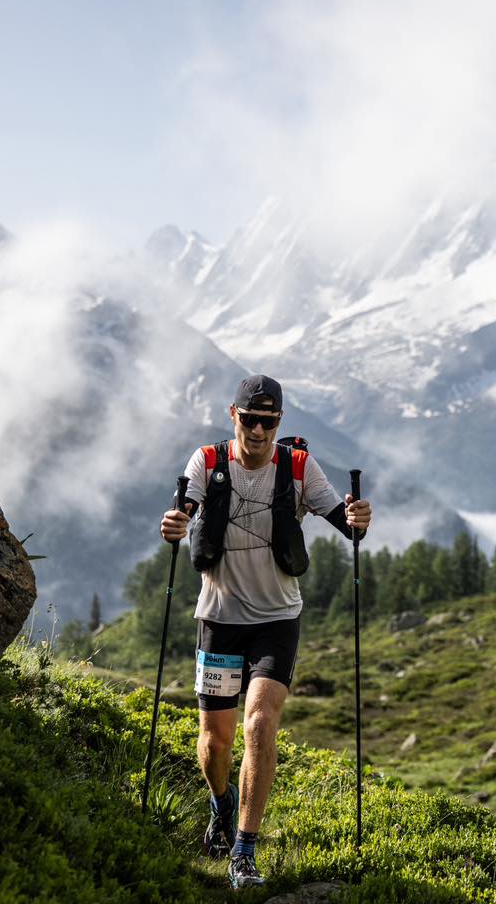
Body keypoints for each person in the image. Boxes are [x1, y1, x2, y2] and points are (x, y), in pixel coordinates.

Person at [159, 374, 371, 890]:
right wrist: (174, 523)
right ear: (233, 414)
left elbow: (344, 523)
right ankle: (221, 803)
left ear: (279, 422)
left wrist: (359, 518)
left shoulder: (296, 466)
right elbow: (182, 511)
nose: (257, 430)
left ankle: (244, 850)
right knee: (214, 743)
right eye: (249, 419)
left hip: (277, 620)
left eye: (268, 421)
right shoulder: (207, 463)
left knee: (258, 725)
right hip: (218, 619)